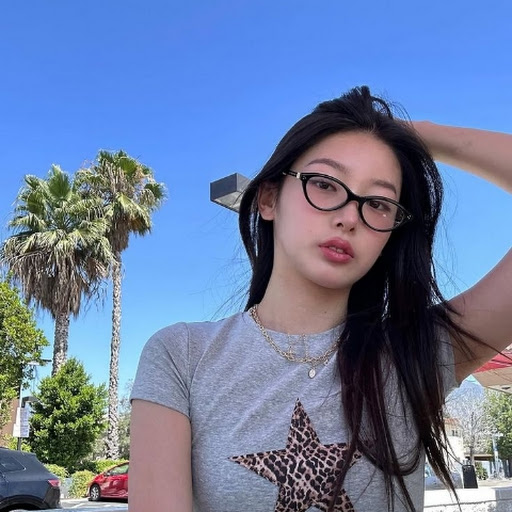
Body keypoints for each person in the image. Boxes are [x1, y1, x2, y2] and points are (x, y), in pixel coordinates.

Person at [129, 86, 512, 512]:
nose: (349, 217)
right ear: (269, 198)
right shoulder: (182, 356)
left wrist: (416, 136)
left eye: (379, 203)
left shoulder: (418, 353)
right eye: (325, 184)